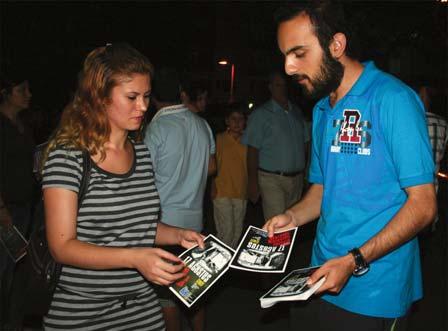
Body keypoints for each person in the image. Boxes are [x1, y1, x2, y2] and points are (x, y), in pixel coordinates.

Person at [264, 2, 436, 330]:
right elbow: (323, 189)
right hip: (317, 278)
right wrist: (293, 216)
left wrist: (354, 260)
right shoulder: (321, 111)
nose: (288, 67)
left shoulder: (392, 99)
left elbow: (424, 206)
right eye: (285, 54)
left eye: (299, 53)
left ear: (336, 45)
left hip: (375, 288)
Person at [40, 43, 204, 331]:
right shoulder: (68, 156)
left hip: (142, 308)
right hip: (82, 312)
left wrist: (178, 234)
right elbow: (62, 247)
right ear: (99, 97)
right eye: (132, 97)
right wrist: (134, 258)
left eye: (146, 96)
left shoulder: (141, 153)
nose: (143, 106)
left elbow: (138, 227)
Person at [143, 68, 215, 331]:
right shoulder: (201, 123)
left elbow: (144, 176)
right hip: (195, 222)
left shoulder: (157, 128)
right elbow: (211, 168)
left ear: (153, 98)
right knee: (193, 289)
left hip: (165, 226)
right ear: (180, 93)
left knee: (168, 298)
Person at [242, 71, 310, 221]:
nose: (282, 89)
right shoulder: (261, 115)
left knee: (293, 223)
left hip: (296, 178)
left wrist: (305, 172)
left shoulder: (297, 112)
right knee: (277, 224)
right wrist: (253, 182)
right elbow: (252, 150)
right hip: (272, 178)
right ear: (270, 87)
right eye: (278, 85)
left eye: (285, 85)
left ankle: (287, 245)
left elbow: (306, 143)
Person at [0, 70, 34, 329]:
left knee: (14, 269)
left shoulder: (21, 124)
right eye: (22, 90)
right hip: (6, 209)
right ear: (6, 94)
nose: (28, 95)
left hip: (24, 206)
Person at [211, 106, 247, 248]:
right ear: (227, 121)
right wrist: (212, 186)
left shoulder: (249, 140)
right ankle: (217, 263)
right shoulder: (218, 139)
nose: (237, 122)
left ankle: (228, 264)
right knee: (226, 231)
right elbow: (212, 165)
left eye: (241, 119)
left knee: (237, 232)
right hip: (222, 190)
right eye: (233, 119)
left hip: (241, 191)